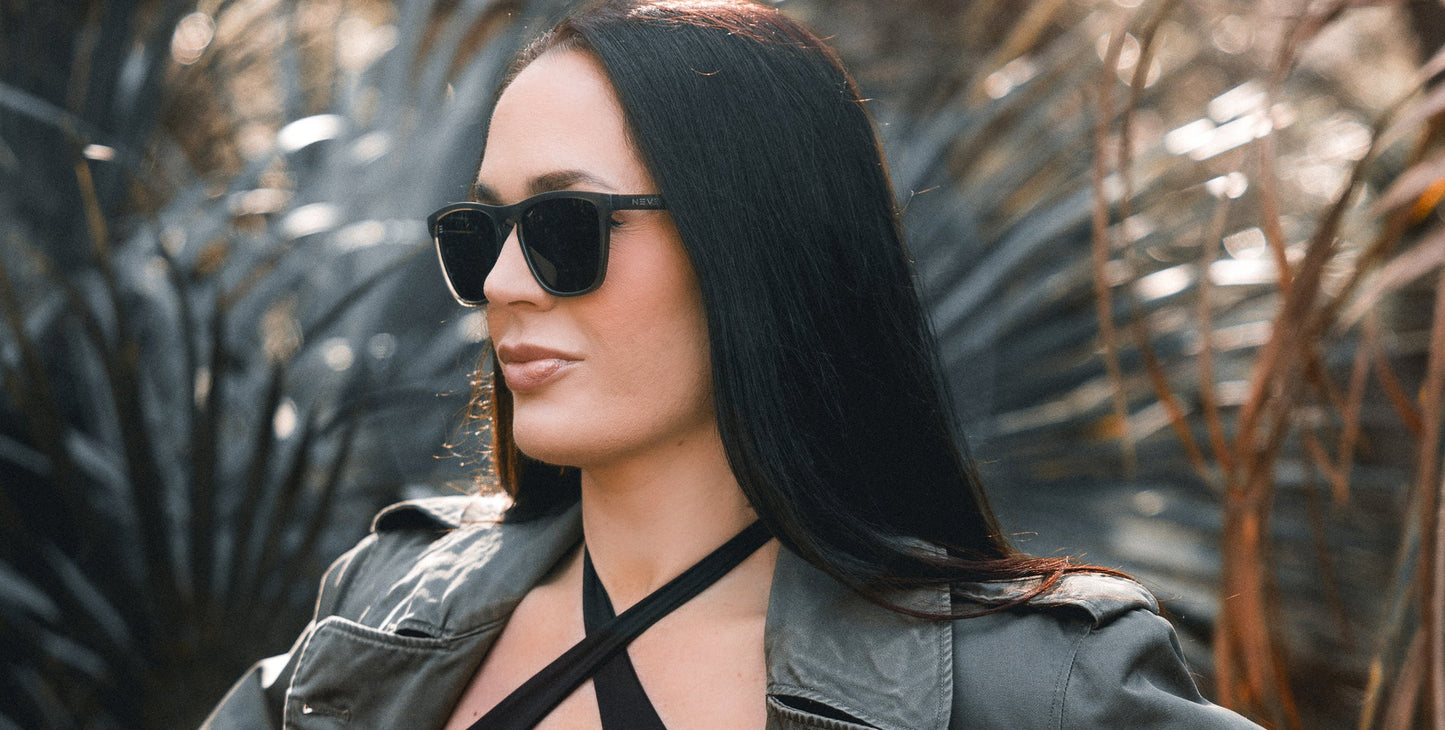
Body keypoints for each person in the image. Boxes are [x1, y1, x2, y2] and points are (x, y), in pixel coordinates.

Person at [204, 1, 1262, 727]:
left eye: (566, 226)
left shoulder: (1032, 682)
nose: (504, 284)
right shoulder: (384, 608)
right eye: (480, 233)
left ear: (750, 244)